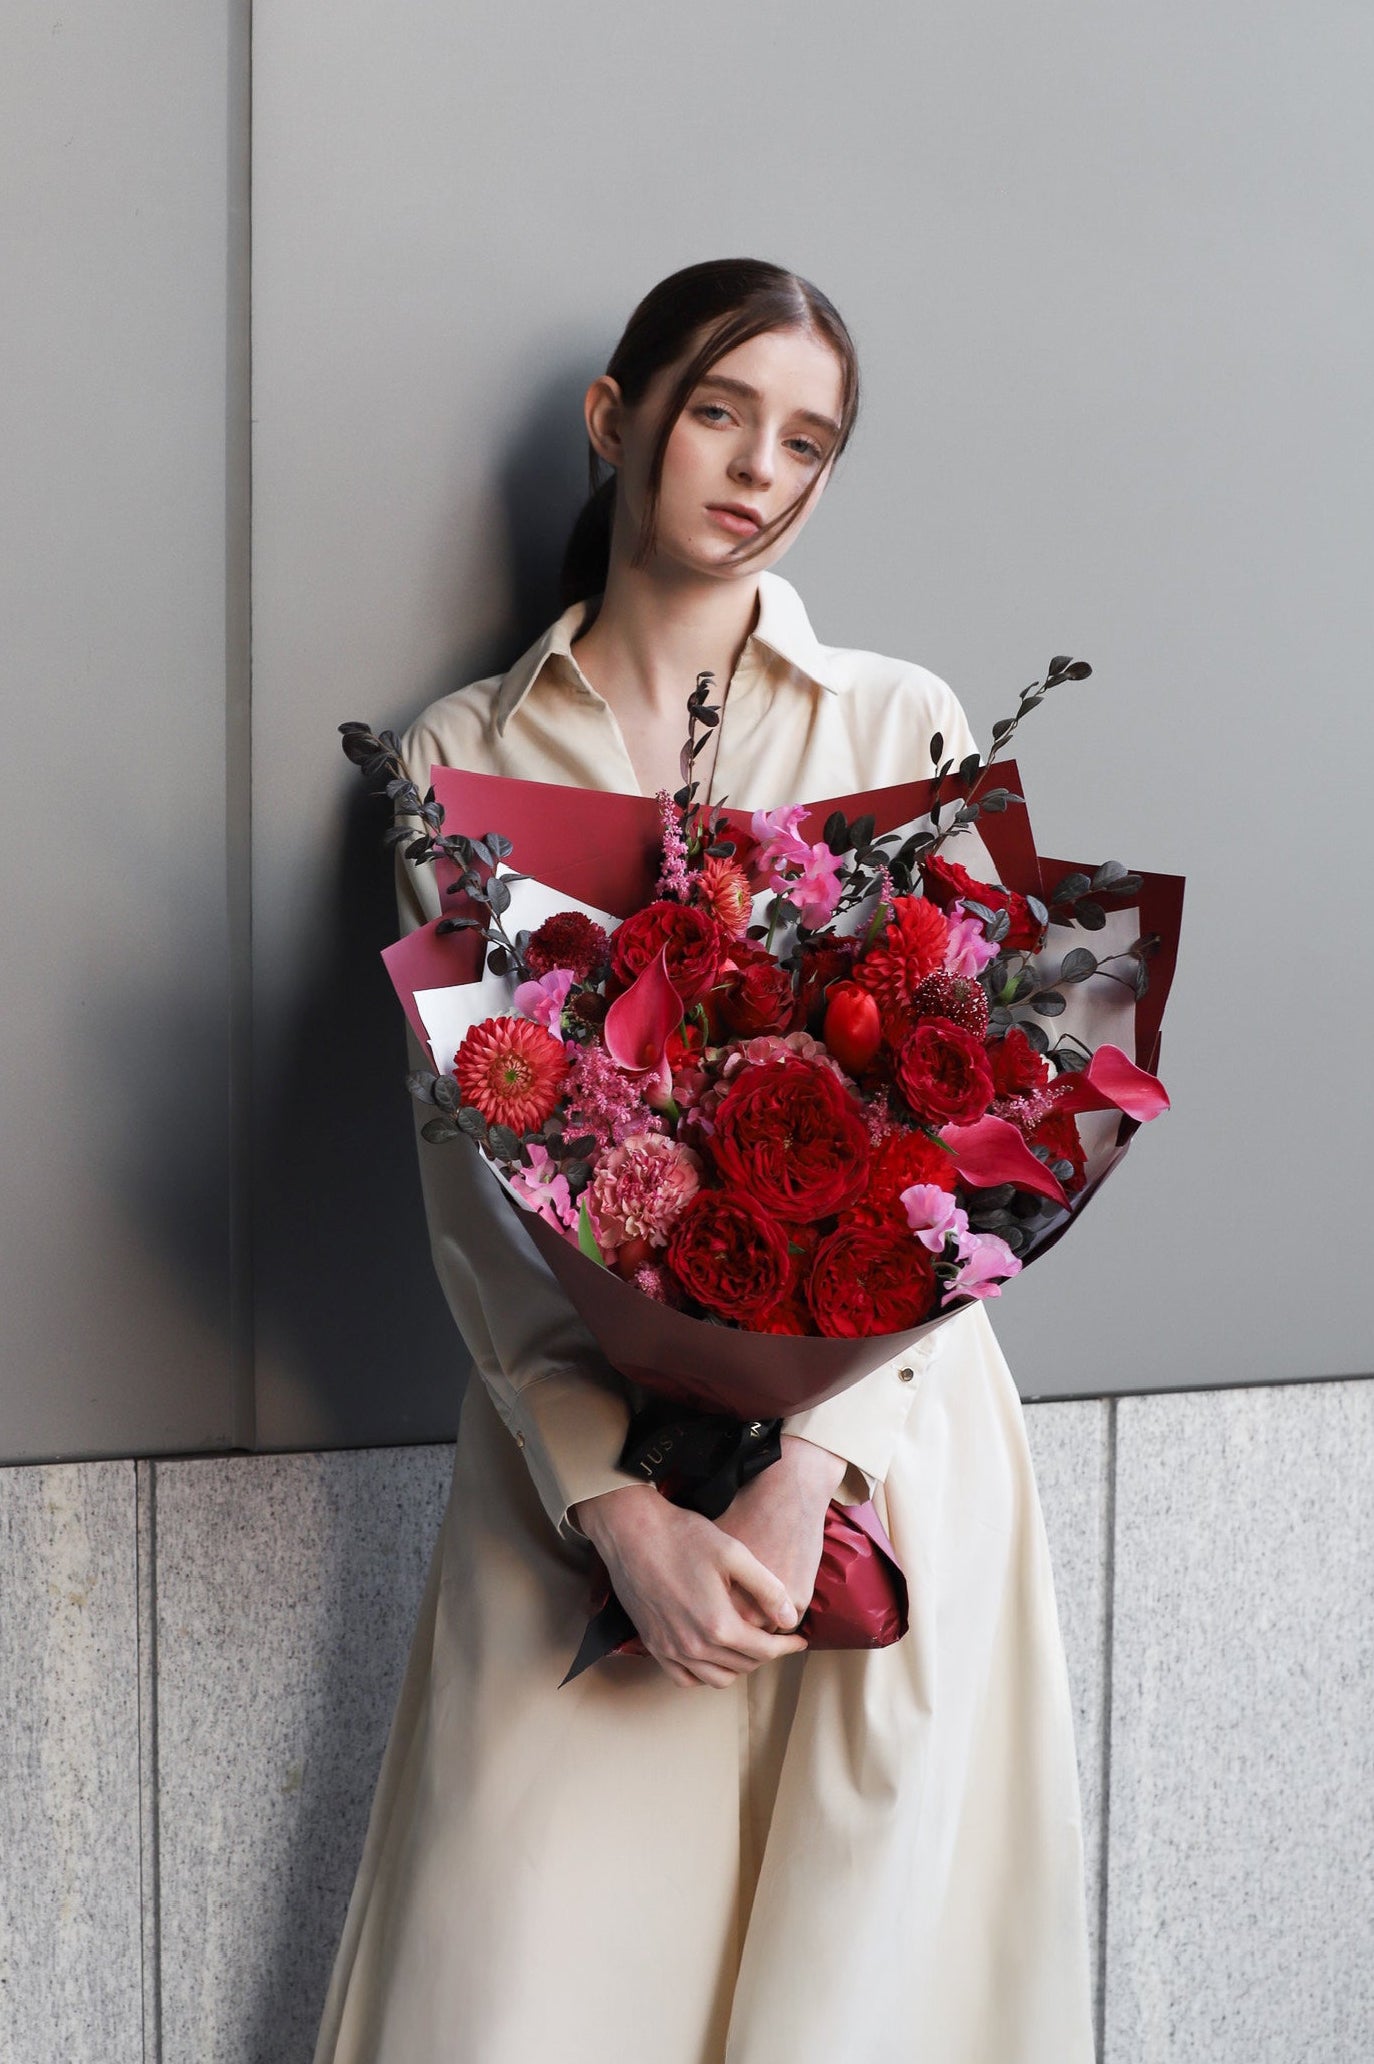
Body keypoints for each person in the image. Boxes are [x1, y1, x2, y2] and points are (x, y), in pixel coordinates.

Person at [313, 258, 1096, 2064]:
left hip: (879, 1466)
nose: (758, 469)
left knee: (859, 1991)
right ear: (618, 419)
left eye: (807, 438)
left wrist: (800, 1471)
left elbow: (980, 1141)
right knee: (519, 1979)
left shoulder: (901, 722)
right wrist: (619, 1508)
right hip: (581, 1469)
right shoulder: (466, 756)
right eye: (723, 411)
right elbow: (474, 1188)